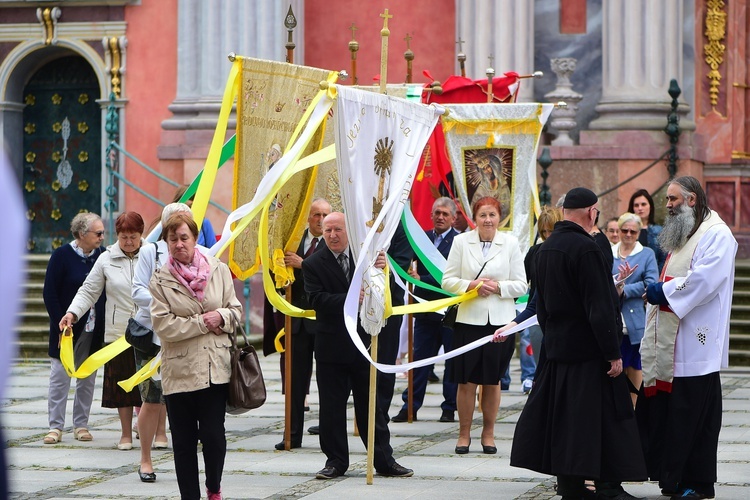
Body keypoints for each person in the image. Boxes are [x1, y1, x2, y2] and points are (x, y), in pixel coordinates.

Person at [509, 187, 646, 500]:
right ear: (591, 212)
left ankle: (570, 485)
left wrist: (555, 339)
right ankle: (608, 486)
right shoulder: (586, 249)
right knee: (601, 420)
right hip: (590, 354)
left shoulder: (543, 249)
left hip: (557, 353)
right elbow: (600, 306)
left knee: (567, 422)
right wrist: (613, 354)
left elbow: (540, 307)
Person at [640, 176, 737, 499]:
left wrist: (662, 291)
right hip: (672, 343)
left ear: (692, 200)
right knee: (673, 417)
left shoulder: (716, 235)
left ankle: (696, 481)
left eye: (672, 200)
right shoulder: (686, 232)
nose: (666, 206)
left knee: (695, 419)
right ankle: (673, 479)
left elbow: (703, 280)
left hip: (696, 342)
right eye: (667, 200)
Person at [302, 212, 413, 480]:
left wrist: (384, 269)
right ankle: (335, 461)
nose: (332, 235)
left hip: (365, 344)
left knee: (371, 406)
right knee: (331, 408)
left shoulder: (366, 257)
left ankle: (383, 460)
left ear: (348, 231)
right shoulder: (313, 263)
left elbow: (389, 292)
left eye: (338, 229)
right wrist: (350, 298)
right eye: (327, 230)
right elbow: (315, 300)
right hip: (332, 347)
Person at [149, 213, 242, 500]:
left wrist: (222, 316)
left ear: (195, 239)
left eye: (184, 238)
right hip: (180, 371)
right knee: (184, 442)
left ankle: (213, 487)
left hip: (215, 368)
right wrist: (203, 323)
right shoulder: (160, 280)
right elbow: (164, 325)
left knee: (214, 437)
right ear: (166, 242)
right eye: (172, 239)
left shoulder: (219, 270)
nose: (179, 244)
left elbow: (236, 312)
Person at [441, 196, 527, 455]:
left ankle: (488, 433)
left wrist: (498, 287)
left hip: (500, 323)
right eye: (482, 215)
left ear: (499, 218)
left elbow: (522, 285)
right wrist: (471, 286)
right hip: (468, 319)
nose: (487, 220)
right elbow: (447, 280)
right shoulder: (460, 242)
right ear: (474, 218)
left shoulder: (510, 243)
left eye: (492, 215)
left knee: (492, 381)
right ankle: (463, 433)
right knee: (466, 381)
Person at [60, 211, 145, 450]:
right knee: (122, 387)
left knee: (153, 388)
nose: (128, 241)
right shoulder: (106, 259)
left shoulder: (152, 255)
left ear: (142, 234)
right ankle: (125, 434)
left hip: (150, 331)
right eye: (123, 236)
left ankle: (156, 433)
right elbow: (88, 291)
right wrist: (72, 313)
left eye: (133, 236)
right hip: (119, 333)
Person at [130, 202, 193, 482]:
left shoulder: (198, 254)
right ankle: (145, 459)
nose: (180, 236)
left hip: (183, 335)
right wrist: (168, 302)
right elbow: (137, 291)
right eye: (175, 228)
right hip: (151, 336)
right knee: (152, 399)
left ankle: (185, 458)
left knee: (182, 399)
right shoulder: (149, 251)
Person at [392, 197, 459, 423]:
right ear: (431, 215)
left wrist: (423, 279)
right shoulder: (422, 240)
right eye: (436, 213)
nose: (440, 217)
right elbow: (404, 262)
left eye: (444, 214)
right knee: (419, 361)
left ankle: (449, 407)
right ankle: (409, 406)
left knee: (452, 363)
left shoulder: (460, 242)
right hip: (425, 312)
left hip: (451, 313)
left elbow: (454, 276)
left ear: (454, 218)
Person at [271, 198, 330, 450]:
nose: (320, 220)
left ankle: (329, 433)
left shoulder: (335, 243)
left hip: (324, 322)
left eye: (324, 215)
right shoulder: (295, 240)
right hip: (296, 322)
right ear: (308, 218)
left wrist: (303, 264)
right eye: (316, 214)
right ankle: (291, 434)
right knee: (295, 381)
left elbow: (332, 274)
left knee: (328, 381)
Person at [42, 213, 106, 445]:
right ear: (81, 234)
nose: (101, 237)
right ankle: (55, 427)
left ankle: (81, 424)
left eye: (102, 233)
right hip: (65, 330)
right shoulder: (61, 256)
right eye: (97, 233)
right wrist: (60, 321)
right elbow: (50, 293)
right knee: (60, 377)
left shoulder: (103, 256)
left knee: (87, 377)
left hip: (93, 327)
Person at [612, 212, 658, 408]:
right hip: (613, 324)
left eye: (633, 231)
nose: (628, 234)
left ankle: (632, 422)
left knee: (635, 378)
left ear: (639, 233)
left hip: (635, 325)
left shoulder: (647, 254)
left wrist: (622, 289)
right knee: (614, 381)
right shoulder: (609, 252)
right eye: (624, 230)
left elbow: (651, 283)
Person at [628, 189, 666, 271]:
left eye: (643, 204)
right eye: (636, 205)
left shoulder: (659, 231)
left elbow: (663, 259)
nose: (640, 208)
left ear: (650, 206)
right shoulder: (626, 230)